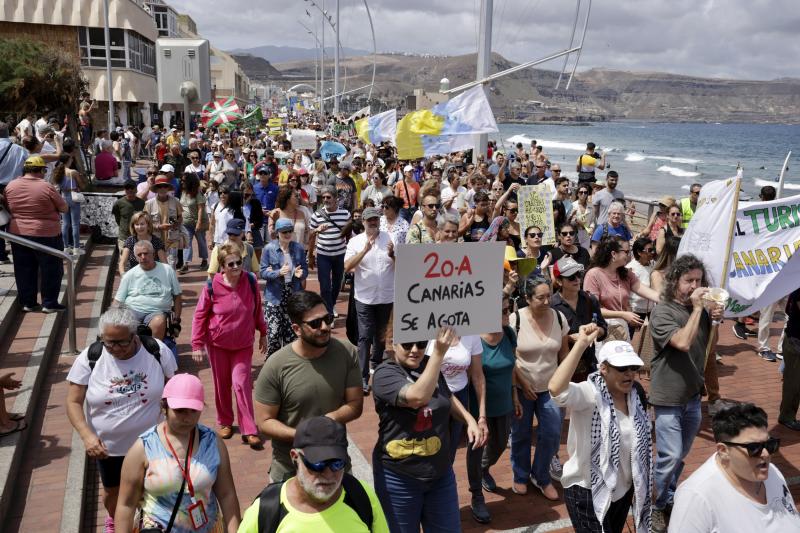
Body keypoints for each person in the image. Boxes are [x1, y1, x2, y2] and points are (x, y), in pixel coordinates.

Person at [66, 308, 177, 533]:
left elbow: (174, 388)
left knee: (155, 490)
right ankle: (115, 521)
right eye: (109, 343)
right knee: (113, 494)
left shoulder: (156, 350)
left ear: (134, 335)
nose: (115, 349)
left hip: (152, 443)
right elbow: (73, 401)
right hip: (109, 448)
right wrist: (86, 436)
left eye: (122, 343)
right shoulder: (91, 357)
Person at [372, 326, 484, 532]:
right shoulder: (384, 374)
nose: (415, 349)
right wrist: (439, 354)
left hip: (440, 475)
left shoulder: (429, 365)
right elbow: (417, 397)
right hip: (399, 478)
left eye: (421, 344)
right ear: (393, 343)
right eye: (407, 344)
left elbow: (446, 396)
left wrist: (469, 419)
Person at [254, 291, 363, 483]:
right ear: (296, 329)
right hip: (290, 470)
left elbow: (355, 404)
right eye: (315, 323)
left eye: (327, 319)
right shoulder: (276, 366)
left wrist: (328, 421)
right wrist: (303, 435)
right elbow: (264, 422)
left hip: (336, 466)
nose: (325, 327)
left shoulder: (347, 352)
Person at [648, 254, 723, 533]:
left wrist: (714, 319)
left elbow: (707, 348)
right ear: (674, 281)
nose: (695, 286)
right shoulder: (663, 311)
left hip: (692, 396)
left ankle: (666, 496)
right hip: (668, 397)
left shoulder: (700, 312)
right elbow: (681, 342)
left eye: (699, 280)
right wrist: (696, 310)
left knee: (680, 455)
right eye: (688, 280)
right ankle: (653, 506)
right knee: (669, 455)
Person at [549, 336, 653, 533]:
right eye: (622, 368)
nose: (629, 374)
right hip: (587, 491)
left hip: (622, 491)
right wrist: (580, 344)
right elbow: (556, 389)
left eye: (633, 367)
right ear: (603, 368)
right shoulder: (590, 393)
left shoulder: (635, 395)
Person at [115, 374, 241, 533]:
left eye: (193, 411)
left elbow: (226, 494)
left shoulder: (213, 442)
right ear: (164, 407)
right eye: (180, 411)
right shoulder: (143, 448)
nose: (187, 418)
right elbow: (126, 505)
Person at [239, 416, 390, 533]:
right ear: (295, 457)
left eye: (337, 463)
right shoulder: (265, 510)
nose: (328, 474)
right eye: (317, 464)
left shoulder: (362, 496)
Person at [668, 402, 800, 532]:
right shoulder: (696, 498)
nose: (765, 454)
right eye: (754, 448)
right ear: (723, 451)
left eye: (770, 444)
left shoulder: (771, 472)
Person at [192, 243, 267, 448]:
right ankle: (225, 421)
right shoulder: (211, 286)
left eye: (239, 262)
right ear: (222, 267)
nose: (236, 267)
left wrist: (263, 333)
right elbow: (199, 316)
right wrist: (197, 344)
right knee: (221, 384)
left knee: (241, 384)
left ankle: (249, 429)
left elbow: (257, 308)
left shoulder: (250, 281)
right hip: (217, 344)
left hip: (243, 344)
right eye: (231, 264)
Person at [509, 276, 569, 499]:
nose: (546, 302)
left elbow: (563, 354)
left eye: (548, 296)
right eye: (540, 298)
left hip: (550, 388)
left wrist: (564, 383)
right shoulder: (515, 320)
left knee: (552, 432)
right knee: (521, 433)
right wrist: (522, 384)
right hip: (521, 388)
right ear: (527, 298)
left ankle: (541, 476)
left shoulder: (559, 318)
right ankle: (521, 475)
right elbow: (509, 357)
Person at [465, 295, 519, 523]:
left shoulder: (509, 334)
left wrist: (515, 395)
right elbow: (475, 377)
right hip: (479, 406)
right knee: (476, 449)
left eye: (509, 309)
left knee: (498, 444)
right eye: (504, 311)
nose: (508, 314)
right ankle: (476, 494)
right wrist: (479, 415)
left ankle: (483, 468)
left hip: (505, 402)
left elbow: (512, 366)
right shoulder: (474, 339)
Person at [5, 155, 68, 313]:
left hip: (17, 233)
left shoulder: (11, 186)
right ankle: (49, 303)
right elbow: (64, 208)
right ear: (41, 170)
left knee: (24, 268)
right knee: (51, 269)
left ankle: (28, 302)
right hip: (46, 233)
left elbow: (8, 205)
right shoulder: (46, 186)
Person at [345, 207, 395, 393]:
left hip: (386, 296)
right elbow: (347, 267)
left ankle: (376, 365)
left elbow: (401, 265)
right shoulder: (355, 242)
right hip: (364, 297)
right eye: (369, 220)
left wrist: (392, 255)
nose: (373, 222)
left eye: (375, 219)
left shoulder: (390, 239)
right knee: (365, 336)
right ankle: (363, 377)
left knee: (381, 336)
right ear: (363, 222)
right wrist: (364, 250)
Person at [584, 236, 659, 341]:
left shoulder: (626, 274)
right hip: (601, 330)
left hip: (622, 329)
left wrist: (670, 300)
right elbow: (593, 310)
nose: (629, 256)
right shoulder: (593, 275)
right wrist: (622, 314)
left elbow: (649, 293)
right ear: (613, 254)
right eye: (626, 252)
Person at [550, 257, 608, 382]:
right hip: (563, 368)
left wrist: (596, 330)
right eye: (571, 277)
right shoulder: (552, 306)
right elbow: (547, 339)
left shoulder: (589, 299)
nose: (577, 280)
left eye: (578, 274)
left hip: (589, 365)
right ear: (559, 281)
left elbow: (604, 329)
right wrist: (570, 338)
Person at [114, 240, 183, 340]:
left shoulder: (167, 270)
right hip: (133, 310)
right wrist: (110, 319)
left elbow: (177, 296)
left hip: (157, 312)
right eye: (139, 254)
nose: (143, 257)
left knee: (158, 322)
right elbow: (117, 301)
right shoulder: (129, 275)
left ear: (153, 254)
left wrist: (176, 320)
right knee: (123, 324)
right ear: (136, 257)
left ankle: (153, 352)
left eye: (146, 253)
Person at [260, 219, 308, 356]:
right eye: (284, 231)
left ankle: (288, 365)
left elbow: (304, 269)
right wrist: (277, 273)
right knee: (274, 334)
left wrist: (301, 273)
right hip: (274, 295)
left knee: (291, 334)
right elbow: (262, 272)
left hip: (292, 293)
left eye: (289, 231)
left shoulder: (298, 248)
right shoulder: (269, 249)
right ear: (277, 233)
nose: (287, 234)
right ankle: (272, 366)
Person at [308, 187, 351, 315]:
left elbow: (349, 233)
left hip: (340, 255)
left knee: (337, 284)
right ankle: (329, 313)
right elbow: (310, 235)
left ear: (336, 198)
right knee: (325, 285)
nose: (325, 200)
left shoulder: (345, 214)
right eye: (323, 197)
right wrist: (310, 254)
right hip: (323, 255)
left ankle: (330, 305)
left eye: (328, 197)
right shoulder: (316, 215)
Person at [144, 175, 183, 268]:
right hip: (155, 239)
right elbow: (145, 223)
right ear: (156, 189)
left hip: (172, 239)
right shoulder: (149, 204)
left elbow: (180, 217)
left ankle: (170, 282)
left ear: (168, 188)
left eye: (164, 186)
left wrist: (176, 223)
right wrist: (159, 227)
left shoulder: (176, 201)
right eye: (159, 186)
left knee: (171, 265)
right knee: (156, 265)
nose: (162, 188)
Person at [52, 152, 87, 255]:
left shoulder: (57, 171)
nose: (72, 160)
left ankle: (65, 247)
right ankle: (76, 248)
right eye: (71, 159)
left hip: (63, 197)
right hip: (73, 198)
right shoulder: (73, 172)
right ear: (68, 160)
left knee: (65, 224)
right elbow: (82, 185)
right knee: (75, 224)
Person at [778, 288, 800, 430]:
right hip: (795, 342)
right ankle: (786, 417)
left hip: (794, 339)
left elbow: (787, 310)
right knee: (793, 384)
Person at [179, 172, 209, 272]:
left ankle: (204, 260)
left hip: (198, 222)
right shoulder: (183, 192)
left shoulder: (197, 192)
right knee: (187, 242)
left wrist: (199, 223)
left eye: (184, 180)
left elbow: (201, 208)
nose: (181, 182)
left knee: (201, 241)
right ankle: (185, 264)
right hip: (186, 223)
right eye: (181, 180)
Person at [627, 237, 656, 325]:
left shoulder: (654, 265)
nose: (652, 252)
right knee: (635, 337)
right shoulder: (630, 268)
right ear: (639, 252)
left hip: (651, 310)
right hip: (636, 311)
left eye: (653, 249)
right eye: (649, 250)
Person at [112, 180, 145, 251]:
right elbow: (117, 218)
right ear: (124, 190)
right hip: (124, 237)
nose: (130, 190)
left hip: (138, 237)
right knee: (123, 259)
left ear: (136, 189)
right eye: (127, 188)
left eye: (132, 187)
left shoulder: (142, 203)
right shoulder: (118, 203)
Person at [569, 183, 595, 251]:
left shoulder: (591, 206)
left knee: (585, 253)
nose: (583, 194)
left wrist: (592, 228)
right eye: (581, 192)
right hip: (575, 233)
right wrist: (575, 220)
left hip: (586, 234)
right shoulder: (572, 205)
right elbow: (568, 221)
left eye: (585, 192)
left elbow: (593, 220)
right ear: (577, 194)